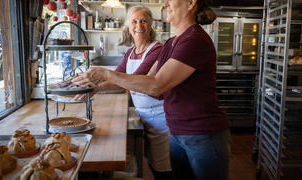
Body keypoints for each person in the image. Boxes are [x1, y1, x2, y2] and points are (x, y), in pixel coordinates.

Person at [73, 0, 231, 179]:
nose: (165, 3)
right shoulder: (172, 42)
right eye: (133, 21)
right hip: (177, 130)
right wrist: (96, 87)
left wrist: (105, 74)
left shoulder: (195, 40)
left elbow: (156, 85)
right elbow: (144, 80)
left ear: (190, 3)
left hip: (203, 134)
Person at [74, 6, 173, 180]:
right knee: (152, 160)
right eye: (134, 21)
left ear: (150, 25)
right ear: (128, 26)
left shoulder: (157, 50)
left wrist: (101, 77)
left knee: (163, 167)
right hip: (145, 117)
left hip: (161, 118)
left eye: (143, 21)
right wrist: (95, 88)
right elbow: (119, 82)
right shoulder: (130, 53)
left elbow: (135, 78)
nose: (139, 25)